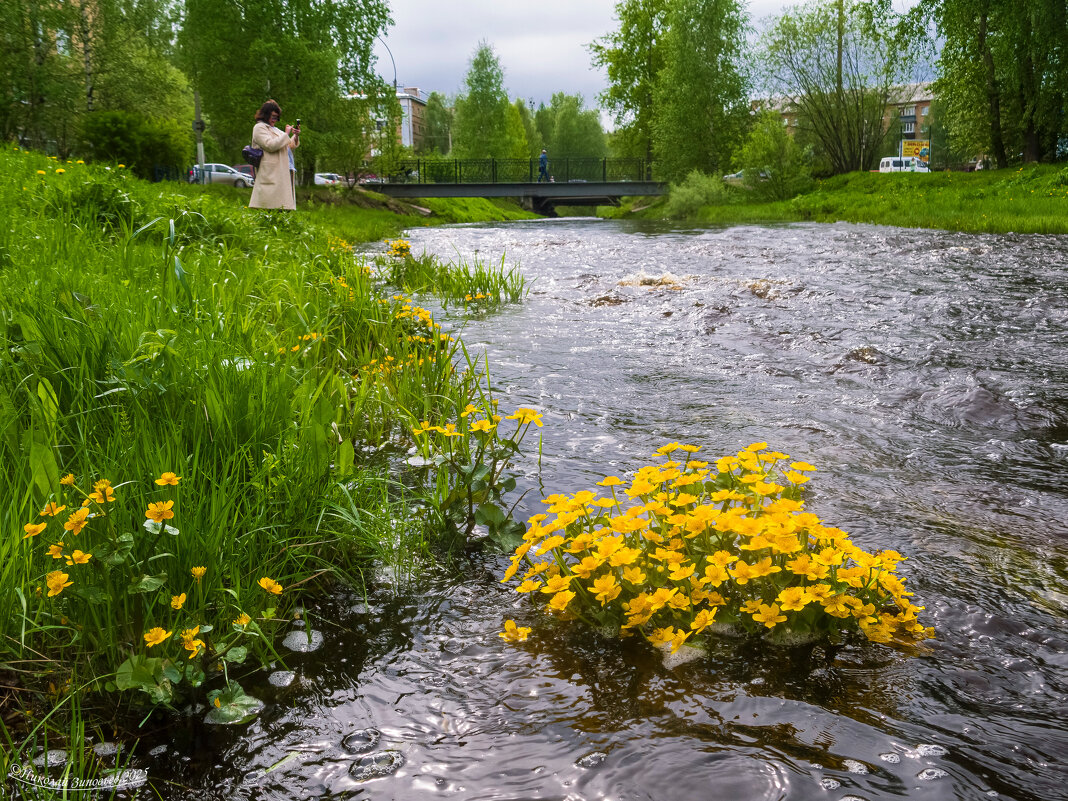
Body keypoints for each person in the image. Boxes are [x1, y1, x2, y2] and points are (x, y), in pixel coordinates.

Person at [249, 100, 300, 210]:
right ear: (265, 114)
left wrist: (295, 136)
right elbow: (270, 145)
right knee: (268, 207)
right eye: (273, 117)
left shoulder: (275, 129)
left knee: (282, 208)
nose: (275, 120)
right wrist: (286, 133)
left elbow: (288, 145)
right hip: (270, 172)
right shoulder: (259, 128)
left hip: (282, 171)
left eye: (277, 118)